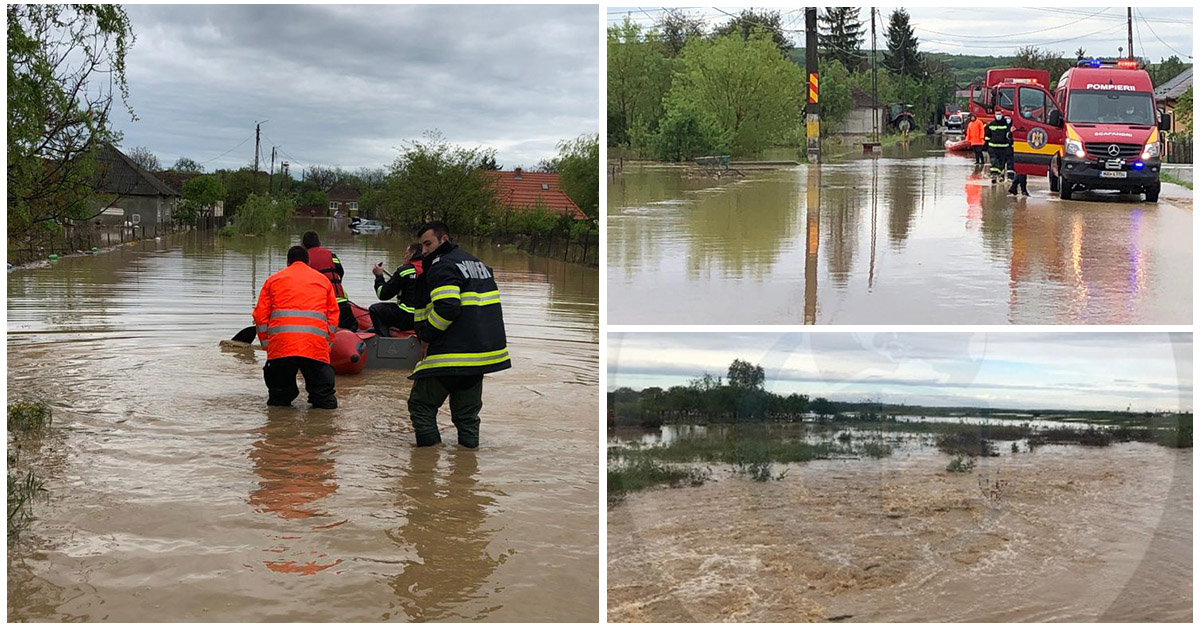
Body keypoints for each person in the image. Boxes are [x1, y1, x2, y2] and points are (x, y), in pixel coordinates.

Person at [407, 221, 510, 449]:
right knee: (467, 417)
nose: (423, 251)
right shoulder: (478, 264)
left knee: (421, 406)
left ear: (444, 240)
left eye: (428, 244)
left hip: (451, 353)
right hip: (481, 355)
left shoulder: (442, 266)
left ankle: (426, 466)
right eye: (422, 245)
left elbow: (447, 307)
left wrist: (426, 335)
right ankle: (466, 468)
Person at [253, 245, 340, 409]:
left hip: (282, 346)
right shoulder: (323, 281)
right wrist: (326, 344)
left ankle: (279, 429)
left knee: (279, 399)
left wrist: (267, 345)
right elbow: (333, 316)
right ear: (309, 262)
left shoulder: (273, 280)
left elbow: (260, 315)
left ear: (287, 262)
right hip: (314, 346)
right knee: (324, 400)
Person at [301, 231, 357, 331]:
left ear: (303, 245)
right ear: (319, 243)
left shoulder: (303, 259)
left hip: (321, 305)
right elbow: (340, 272)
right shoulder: (331, 255)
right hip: (341, 302)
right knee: (352, 328)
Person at [369, 242, 424, 336]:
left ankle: (385, 341)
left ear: (412, 253)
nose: (404, 257)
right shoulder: (432, 268)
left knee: (375, 309)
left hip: (408, 317)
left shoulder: (404, 271)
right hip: (426, 318)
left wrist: (379, 276)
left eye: (406, 254)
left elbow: (383, 294)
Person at [985, 113, 1012, 184]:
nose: (998, 116)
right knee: (993, 161)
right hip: (992, 146)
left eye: (999, 114)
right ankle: (994, 175)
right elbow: (987, 135)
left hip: (1003, 147)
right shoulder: (991, 124)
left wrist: (1010, 141)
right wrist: (985, 145)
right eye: (997, 114)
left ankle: (1001, 176)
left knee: (1001, 162)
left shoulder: (1006, 125)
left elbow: (1008, 136)